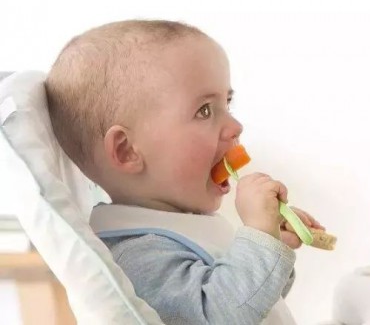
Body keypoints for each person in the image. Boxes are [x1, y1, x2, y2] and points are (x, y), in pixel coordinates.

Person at [46, 19, 325, 325]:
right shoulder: (136, 257)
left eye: (227, 103)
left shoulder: (181, 228)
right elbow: (218, 317)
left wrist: (272, 243)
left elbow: (256, 306)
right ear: (127, 150)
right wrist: (259, 237)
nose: (235, 127)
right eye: (204, 110)